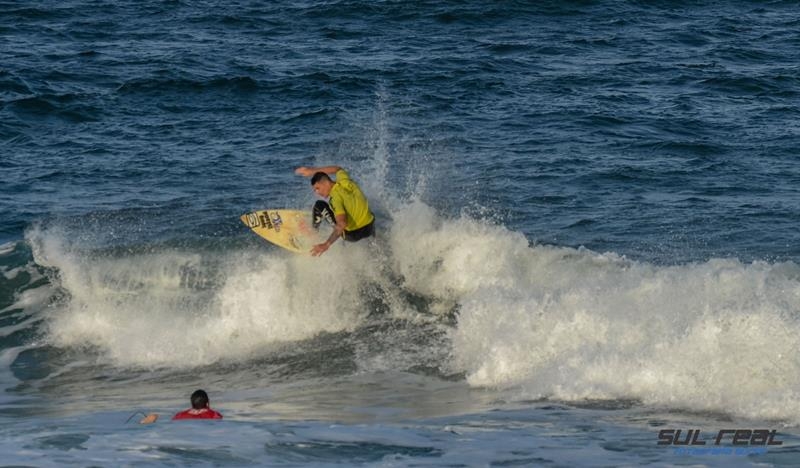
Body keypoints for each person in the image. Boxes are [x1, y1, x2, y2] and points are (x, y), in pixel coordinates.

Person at [294, 165, 375, 256]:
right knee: (366, 211)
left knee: (319, 205)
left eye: (317, 188)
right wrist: (311, 171)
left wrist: (326, 244)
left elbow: (342, 224)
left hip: (352, 234)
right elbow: (338, 169)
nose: (317, 192)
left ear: (326, 183)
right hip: (370, 227)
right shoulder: (345, 181)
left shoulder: (335, 199)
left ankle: (313, 232)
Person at [137, 389, 222, 424]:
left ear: (192, 404)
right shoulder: (214, 415)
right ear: (207, 403)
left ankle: (146, 422)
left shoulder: (179, 415)